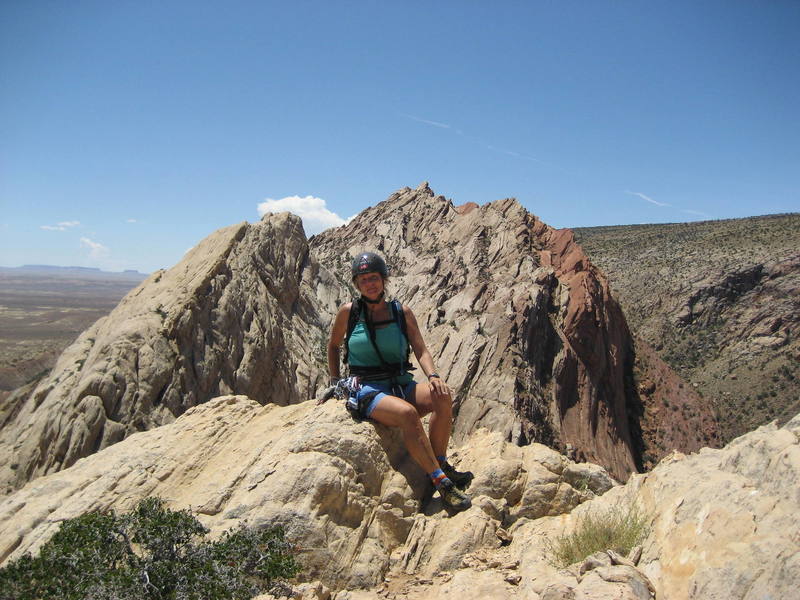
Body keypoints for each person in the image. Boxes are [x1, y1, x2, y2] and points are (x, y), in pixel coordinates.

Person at [323, 251, 473, 511]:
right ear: (356, 284)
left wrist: (433, 376)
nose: (370, 283)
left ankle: (440, 464)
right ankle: (441, 483)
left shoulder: (401, 311)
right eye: (363, 279)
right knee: (407, 413)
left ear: (383, 280)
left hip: (400, 383)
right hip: (366, 388)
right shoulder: (349, 312)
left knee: (443, 396)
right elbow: (333, 346)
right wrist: (335, 380)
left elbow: (421, 349)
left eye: (374, 278)